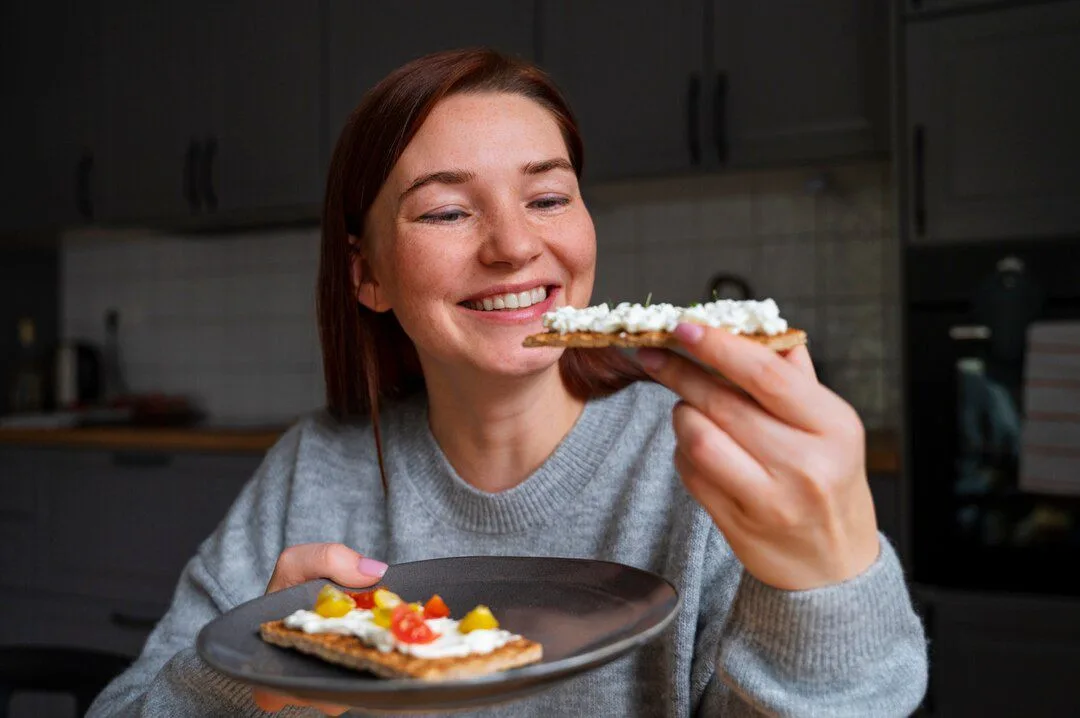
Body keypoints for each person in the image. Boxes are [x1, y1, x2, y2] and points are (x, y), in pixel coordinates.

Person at [88, 48, 928, 717]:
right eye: (449, 211)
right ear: (366, 274)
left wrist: (828, 585)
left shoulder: (704, 462)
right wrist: (257, 669)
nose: (514, 247)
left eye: (549, 197)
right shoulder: (317, 468)